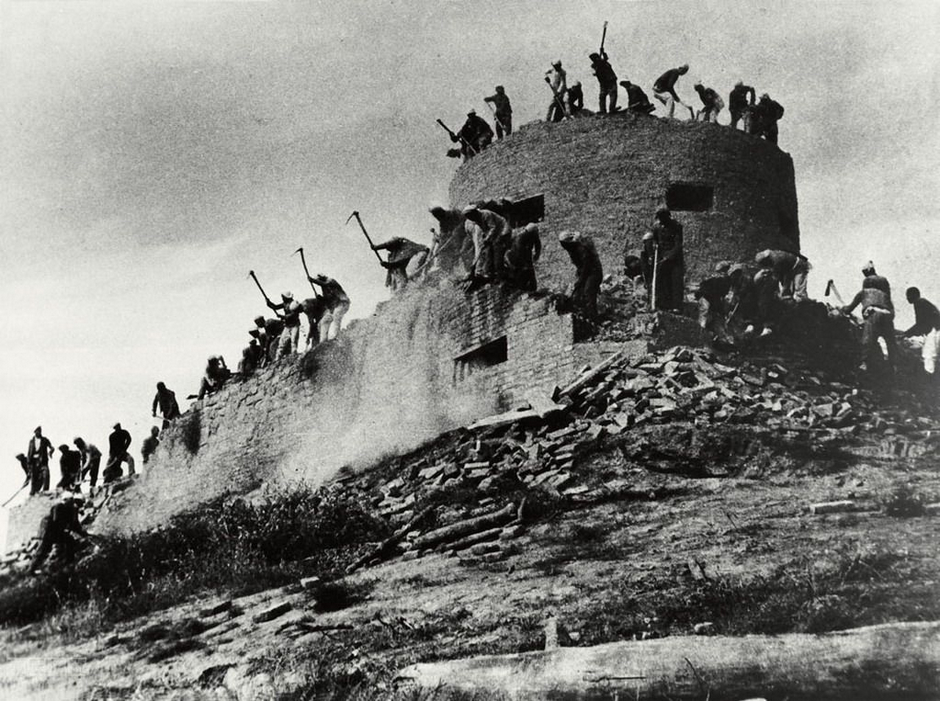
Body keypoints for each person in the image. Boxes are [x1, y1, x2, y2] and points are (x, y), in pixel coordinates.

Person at [842, 266, 897, 371]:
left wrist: (844, 309)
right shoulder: (885, 295)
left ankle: (864, 363)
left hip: (874, 314)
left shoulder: (863, 292)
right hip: (887, 315)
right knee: (891, 342)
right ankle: (894, 365)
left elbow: (849, 308)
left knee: (867, 339)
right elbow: (892, 312)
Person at [29, 494, 88, 572]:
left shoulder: (72, 510)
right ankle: (31, 569)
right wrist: (66, 529)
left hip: (56, 532)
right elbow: (57, 520)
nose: (77, 504)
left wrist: (83, 533)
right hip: (49, 531)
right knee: (43, 549)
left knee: (69, 541)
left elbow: (75, 524)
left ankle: (67, 564)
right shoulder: (58, 507)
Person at [463, 206, 513, 285]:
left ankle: (504, 278)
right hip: (494, 235)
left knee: (497, 256)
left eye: (470, 216)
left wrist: (487, 238)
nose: (471, 219)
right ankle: (492, 275)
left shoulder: (486, 214)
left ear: (474, 213)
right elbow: (485, 229)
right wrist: (484, 238)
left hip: (502, 231)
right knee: (489, 255)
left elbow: (493, 228)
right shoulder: (476, 219)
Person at [558, 231, 603, 319]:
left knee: (588, 292)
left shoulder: (580, 248)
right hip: (587, 272)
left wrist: (581, 280)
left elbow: (587, 266)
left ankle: (593, 317)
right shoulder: (573, 249)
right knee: (580, 293)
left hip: (593, 272)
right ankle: (585, 313)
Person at [651, 207, 684, 311]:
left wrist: (669, 257)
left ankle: (676, 306)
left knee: (675, 282)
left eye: (662, 218)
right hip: (662, 257)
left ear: (667, 216)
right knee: (663, 281)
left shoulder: (676, 226)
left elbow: (678, 244)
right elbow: (655, 239)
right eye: (659, 218)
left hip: (674, 258)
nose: (661, 220)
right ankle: (664, 305)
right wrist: (654, 244)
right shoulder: (656, 227)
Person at [902, 287, 940, 375]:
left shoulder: (919, 303)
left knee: (929, 355)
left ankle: (929, 378)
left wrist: (906, 334)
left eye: (908, 296)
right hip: (935, 330)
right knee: (930, 355)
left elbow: (920, 324)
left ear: (913, 296)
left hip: (934, 330)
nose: (907, 298)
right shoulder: (922, 302)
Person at [695, 263, 733, 346]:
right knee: (704, 319)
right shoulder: (715, 279)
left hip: (714, 298)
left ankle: (715, 339)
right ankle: (701, 340)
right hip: (706, 298)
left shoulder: (726, 279)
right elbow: (703, 290)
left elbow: (723, 294)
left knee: (716, 319)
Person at [308, 274, 351, 341]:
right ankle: (323, 341)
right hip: (334, 307)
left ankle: (336, 336)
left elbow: (326, 284)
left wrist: (313, 281)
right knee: (324, 321)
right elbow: (327, 300)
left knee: (336, 316)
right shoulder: (324, 289)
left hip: (342, 303)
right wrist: (321, 298)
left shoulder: (331, 281)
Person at [503, 223, 542, 291]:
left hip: (526, 255)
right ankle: (522, 288)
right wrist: (524, 263)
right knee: (521, 273)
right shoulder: (521, 237)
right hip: (516, 257)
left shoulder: (533, 235)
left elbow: (538, 244)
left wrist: (537, 254)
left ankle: (532, 288)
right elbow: (519, 251)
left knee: (530, 272)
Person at [267, 292, 303, 360]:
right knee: (282, 342)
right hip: (287, 326)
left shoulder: (294, 304)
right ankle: (278, 357)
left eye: (283, 297)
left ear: (286, 297)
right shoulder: (284, 304)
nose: (282, 298)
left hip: (294, 325)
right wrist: (269, 303)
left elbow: (293, 315)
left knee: (294, 340)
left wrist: (283, 317)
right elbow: (276, 307)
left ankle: (294, 355)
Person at [589, 50, 618, 114]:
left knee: (612, 94)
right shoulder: (595, 65)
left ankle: (612, 109)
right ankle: (602, 110)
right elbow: (594, 73)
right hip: (603, 83)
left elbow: (605, 58)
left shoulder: (604, 62)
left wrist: (603, 52)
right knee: (602, 96)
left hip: (611, 81)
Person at [27, 426, 53, 495]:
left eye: (40, 431)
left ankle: (45, 491)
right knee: (34, 478)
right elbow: (29, 452)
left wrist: (51, 452)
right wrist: (29, 463)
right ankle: (33, 493)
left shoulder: (45, 440)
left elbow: (52, 447)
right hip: (34, 462)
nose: (38, 432)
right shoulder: (31, 441)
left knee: (46, 475)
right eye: (37, 431)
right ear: (35, 432)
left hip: (43, 461)